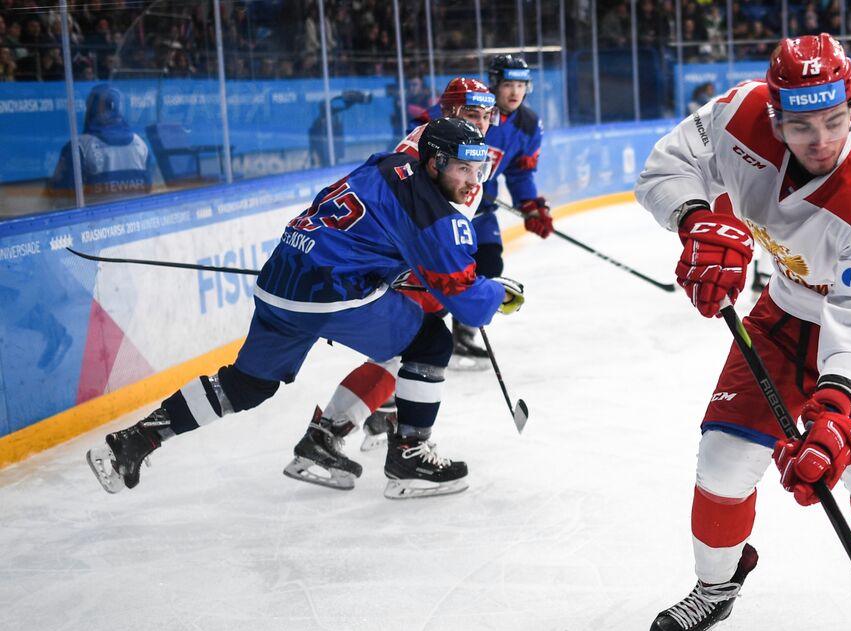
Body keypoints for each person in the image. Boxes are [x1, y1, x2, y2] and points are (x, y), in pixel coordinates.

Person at [634, 33, 851, 631]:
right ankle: (717, 588)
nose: (822, 141)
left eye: (835, 121)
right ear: (774, 115)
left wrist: (832, 409)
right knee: (724, 459)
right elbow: (665, 167)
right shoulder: (737, 113)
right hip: (792, 304)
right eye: (801, 125)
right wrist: (695, 221)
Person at [88, 118, 523, 500]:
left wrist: (390, 270)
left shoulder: (386, 165)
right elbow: (467, 301)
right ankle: (409, 455)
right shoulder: (435, 217)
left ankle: (136, 439)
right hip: (332, 291)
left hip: (282, 278)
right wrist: (496, 294)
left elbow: (370, 231)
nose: (473, 180)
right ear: (435, 163)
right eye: (463, 168)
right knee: (430, 341)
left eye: (478, 168)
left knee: (245, 386)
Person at [282, 78, 504, 489]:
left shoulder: (466, 150)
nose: (483, 122)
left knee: (401, 354)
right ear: (451, 111)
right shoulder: (425, 149)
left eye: (487, 115)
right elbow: (410, 216)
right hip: (403, 266)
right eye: (473, 113)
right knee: (414, 348)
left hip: (416, 264)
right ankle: (381, 444)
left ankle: (334, 432)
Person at [449, 53, 552, 365]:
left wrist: (531, 206)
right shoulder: (472, 110)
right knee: (441, 269)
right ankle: (418, 336)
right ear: (494, 83)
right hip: (447, 207)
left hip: (481, 208)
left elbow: (521, 171)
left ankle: (462, 335)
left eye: (521, 85)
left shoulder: (528, 124)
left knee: (490, 263)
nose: (515, 92)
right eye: (508, 84)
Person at [47, 84, 153, 203]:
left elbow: (61, 195)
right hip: (135, 217)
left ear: (92, 108)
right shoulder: (140, 144)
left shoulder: (80, 146)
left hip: (92, 219)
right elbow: (147, 188)